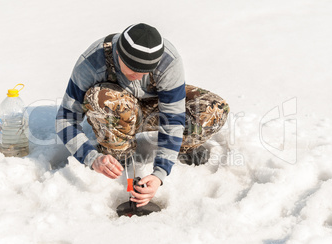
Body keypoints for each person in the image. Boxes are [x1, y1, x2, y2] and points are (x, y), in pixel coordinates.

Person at [56, 23, 229, 207]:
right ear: (118, 55)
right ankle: (117, 152)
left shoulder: (168, 60)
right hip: (117, 110)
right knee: (104, 98)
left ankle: (178, 151)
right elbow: (65, 120)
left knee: (214, 109)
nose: (139, 76)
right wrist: (91, 158)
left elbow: (173, 118)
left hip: (154, 107)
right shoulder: (91, 62)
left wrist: (160, 173)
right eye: (133, 69)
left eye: (145, 71)